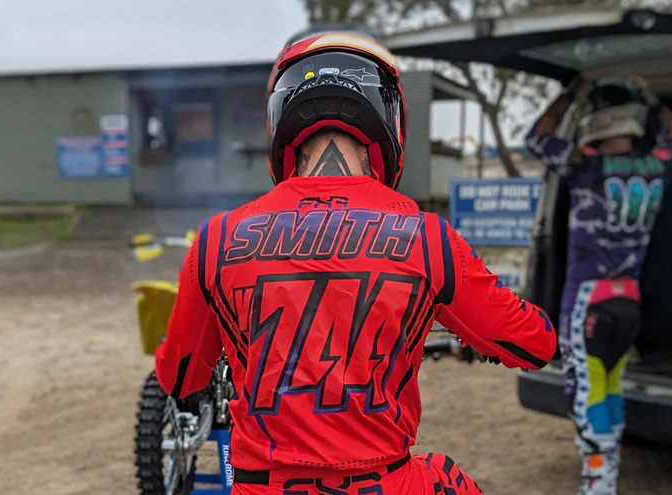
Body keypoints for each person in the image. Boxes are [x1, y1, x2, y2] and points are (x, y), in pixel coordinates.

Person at [154, 27, 558, 495]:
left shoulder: (218, 239)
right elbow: (535, 345)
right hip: (383, 484)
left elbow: (179, 377)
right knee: (446, 478)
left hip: (262, 486)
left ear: (279, 119)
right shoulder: (428, 238)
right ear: (390, 121)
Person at [525, 76, 672, 495]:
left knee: (587, 390)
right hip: (628, 298)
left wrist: (569, 96)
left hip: (587, 300)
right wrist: (653, 100)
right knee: (612, 386)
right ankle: (606, 475)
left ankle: (598, 483)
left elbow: (536, 138)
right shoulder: (658, 165)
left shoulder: (587, 165)